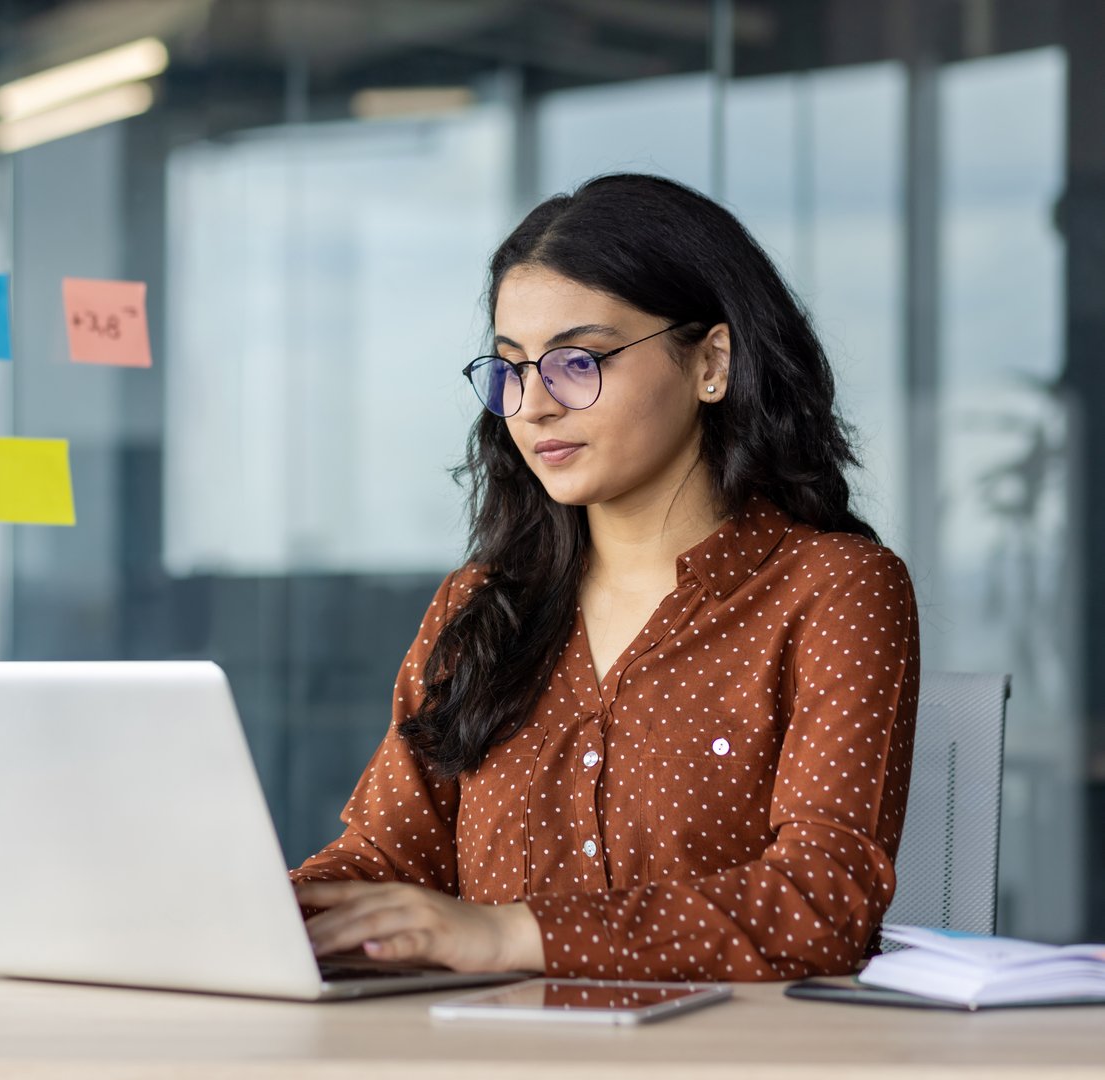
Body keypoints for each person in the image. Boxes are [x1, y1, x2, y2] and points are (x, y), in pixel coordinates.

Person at [290, 173, 920, 982]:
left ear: (711, 364)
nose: (534, 406)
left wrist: (506, 935)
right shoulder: (482, 607)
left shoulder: (830, 590)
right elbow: (386, 858)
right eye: (511, 369)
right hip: (487, 1056)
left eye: (576, 361)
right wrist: (260, 916)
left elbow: (820, 903)